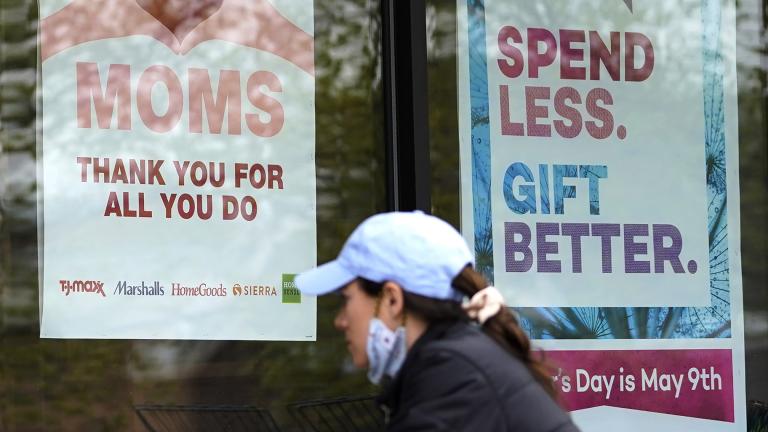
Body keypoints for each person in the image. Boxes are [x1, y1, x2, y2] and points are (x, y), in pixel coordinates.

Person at [296, 211, 579, 431]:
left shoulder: (452, 375)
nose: (340, 321)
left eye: (345, 300)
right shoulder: (459, 360)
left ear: (392, 300)